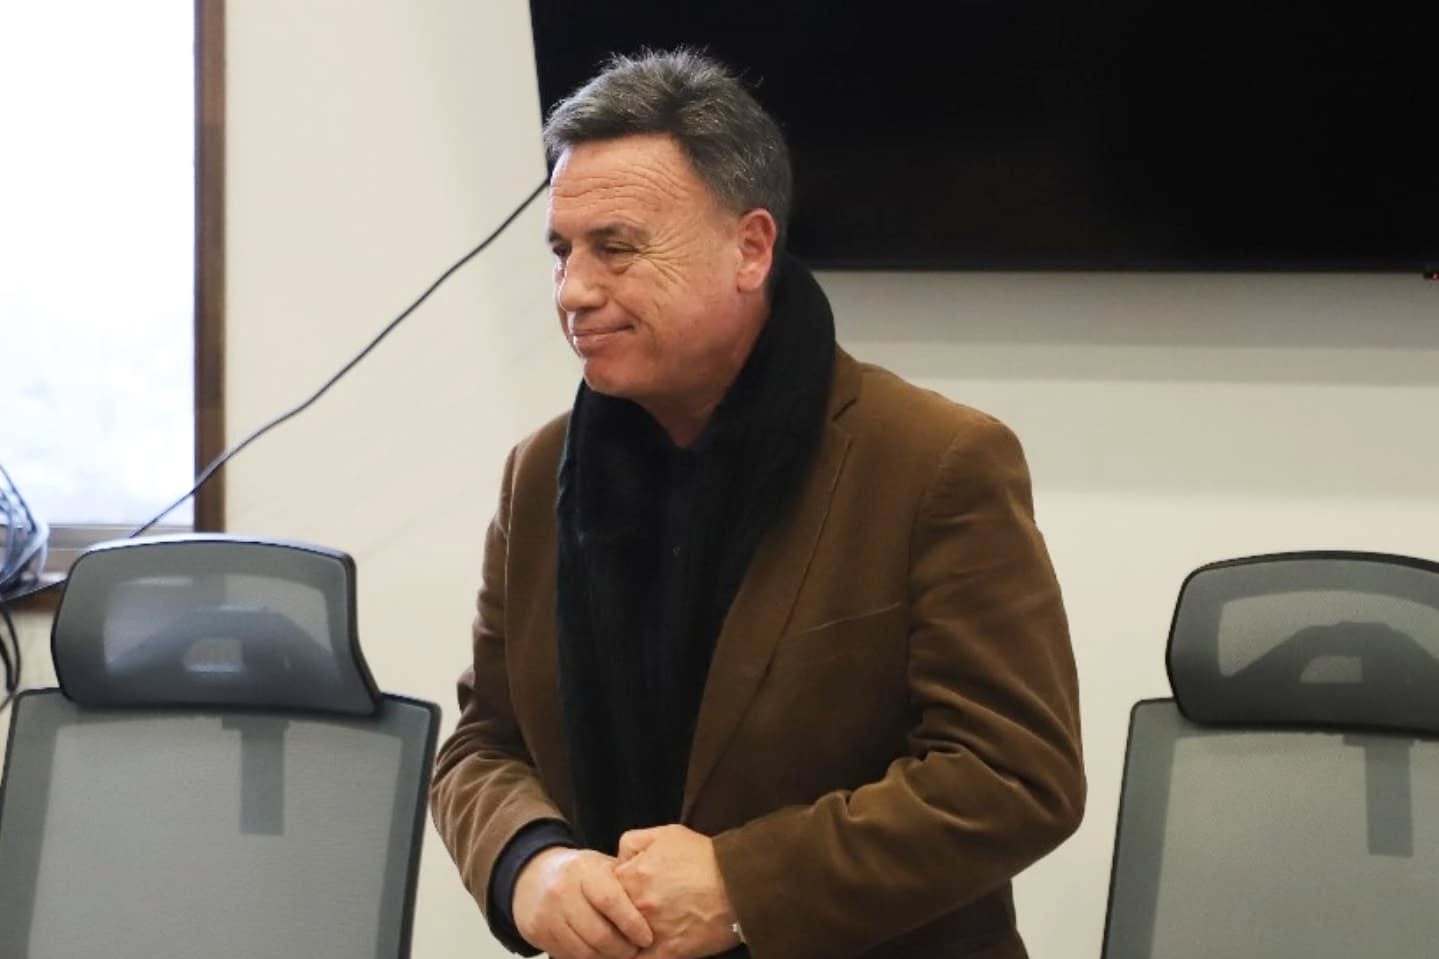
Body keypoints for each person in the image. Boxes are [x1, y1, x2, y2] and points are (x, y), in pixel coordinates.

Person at [430, 48, 1085, 959]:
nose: (573, 289)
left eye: (615, 247)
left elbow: (1014, 775)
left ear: (750, 249)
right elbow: (482, 744)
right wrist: (527, 863)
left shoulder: (934, 462)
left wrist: (743, 886)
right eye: (561, 250)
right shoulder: (540, 474)